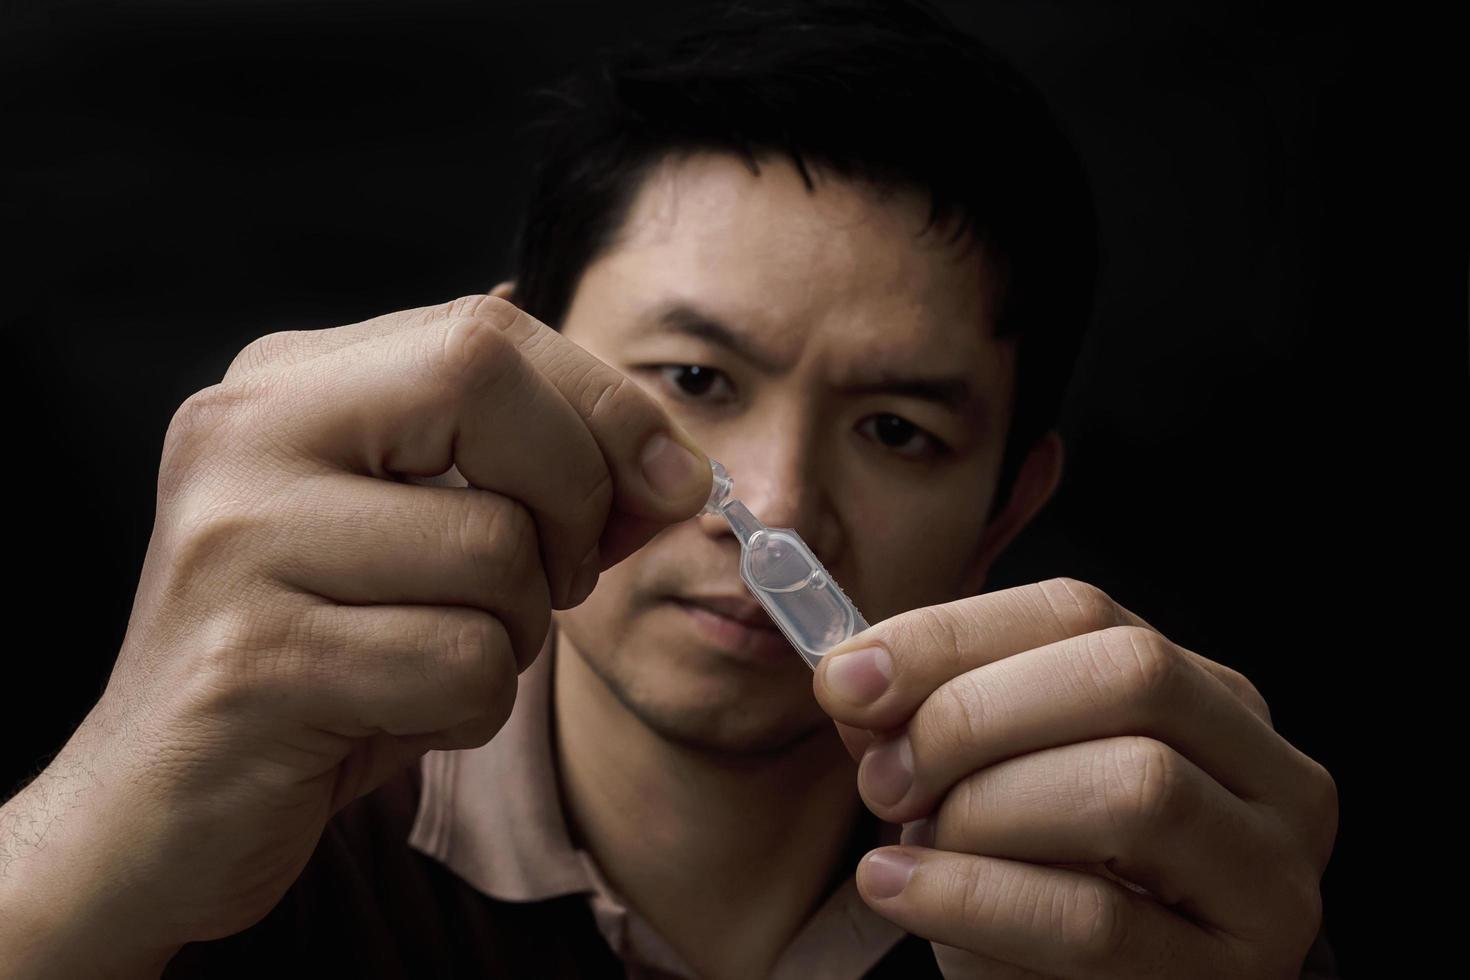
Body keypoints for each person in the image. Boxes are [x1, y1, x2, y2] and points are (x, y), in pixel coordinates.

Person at [0, 1, 1340, 977]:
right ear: (507, 374)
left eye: (895, 430)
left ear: (1006, 506)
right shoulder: (273, 828)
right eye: (694, 382)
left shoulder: (1117, 901)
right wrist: (67, 879)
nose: (775, 507)